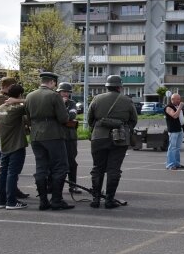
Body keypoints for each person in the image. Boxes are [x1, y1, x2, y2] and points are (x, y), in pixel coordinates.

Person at [87, 75, 138, 208]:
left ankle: (95, 199)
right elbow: (134, 120)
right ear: (119, 87)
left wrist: (98, 126)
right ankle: (109, 200)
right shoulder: (127, 101)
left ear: (107, 86)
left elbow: (89, 119)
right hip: (120, 138)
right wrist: (125, 128)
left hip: (99, 137)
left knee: (97, 168)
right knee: (114, 169)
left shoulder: (97, 98)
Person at [24, 71, 71, 210]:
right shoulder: (54, 96)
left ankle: (43, 201)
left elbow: (26, 117)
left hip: (36, 135)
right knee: (60, 167)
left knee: (41, 168)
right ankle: (56, 200)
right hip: (53, 134)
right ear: (52, 82)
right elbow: (63, 118)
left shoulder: (30, 96)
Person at [0, 77, 29, 200]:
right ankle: (11, 201)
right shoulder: (17, 109)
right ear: (19, 95)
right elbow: (32, 103)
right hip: (16, 144)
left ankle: (1, 200)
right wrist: (19, 100)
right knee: (13, 173)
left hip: (4, 143)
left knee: (3, 172)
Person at [57, 82, 79, 190]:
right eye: (63, 91)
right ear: (59, 92)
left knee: (72, 161)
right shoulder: (55, 102)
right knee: (58, 162)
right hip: (58, 135)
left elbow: (71, 116)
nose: (66, 94)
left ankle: (73, 185)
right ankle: (54, 186)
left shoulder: (72, 103)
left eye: (68, 92)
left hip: (70, 136)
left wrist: (63, 115)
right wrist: (61, 106)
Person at [165, 93, 184, 170]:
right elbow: (174, 116)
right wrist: (180, 107)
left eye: (179, 99)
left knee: (177, 148)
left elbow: (182, 118)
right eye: (177, 99)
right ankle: (170, 164)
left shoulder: (178, 107)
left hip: (180, 129)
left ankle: (177, 163)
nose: (179, 101)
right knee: (172, 148)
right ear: (172, 99)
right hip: (173, 130)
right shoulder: (168, 107)